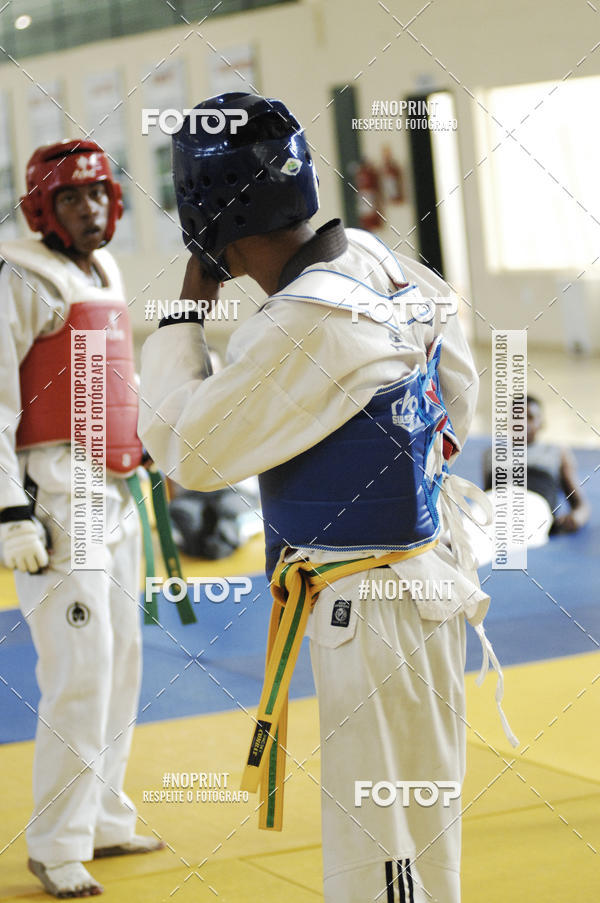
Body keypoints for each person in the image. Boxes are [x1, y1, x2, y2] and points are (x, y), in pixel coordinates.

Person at [139, 93, 514, 903]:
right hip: (425, 575)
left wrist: (183, 309)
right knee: (418, 815)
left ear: (205, 219)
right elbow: (460, 388)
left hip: (368, 606)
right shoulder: (381, 262)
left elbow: (186, 449)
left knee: (377, 844)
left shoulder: (299, 325)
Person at [0, 140, 164, 899]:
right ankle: (55, 843)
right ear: (42, 208)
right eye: (72, 198)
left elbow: (113, 375)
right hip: (57, 494)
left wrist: (145, 444)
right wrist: (11, 516)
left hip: (115, 487)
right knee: (80, 666)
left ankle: (103, 814)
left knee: (122, 658)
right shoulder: (21, 277)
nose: (90, 208)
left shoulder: (106, 270)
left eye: (99, 193)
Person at [483, 395, 591, 534]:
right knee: (469, 527)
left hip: (534, 506)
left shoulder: (556, 452)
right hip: (497, 503)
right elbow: (486, 496)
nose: (522, 423)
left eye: (529, 417)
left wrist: (576, 518)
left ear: (541, 423)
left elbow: (580, 504)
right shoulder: (491, 454)